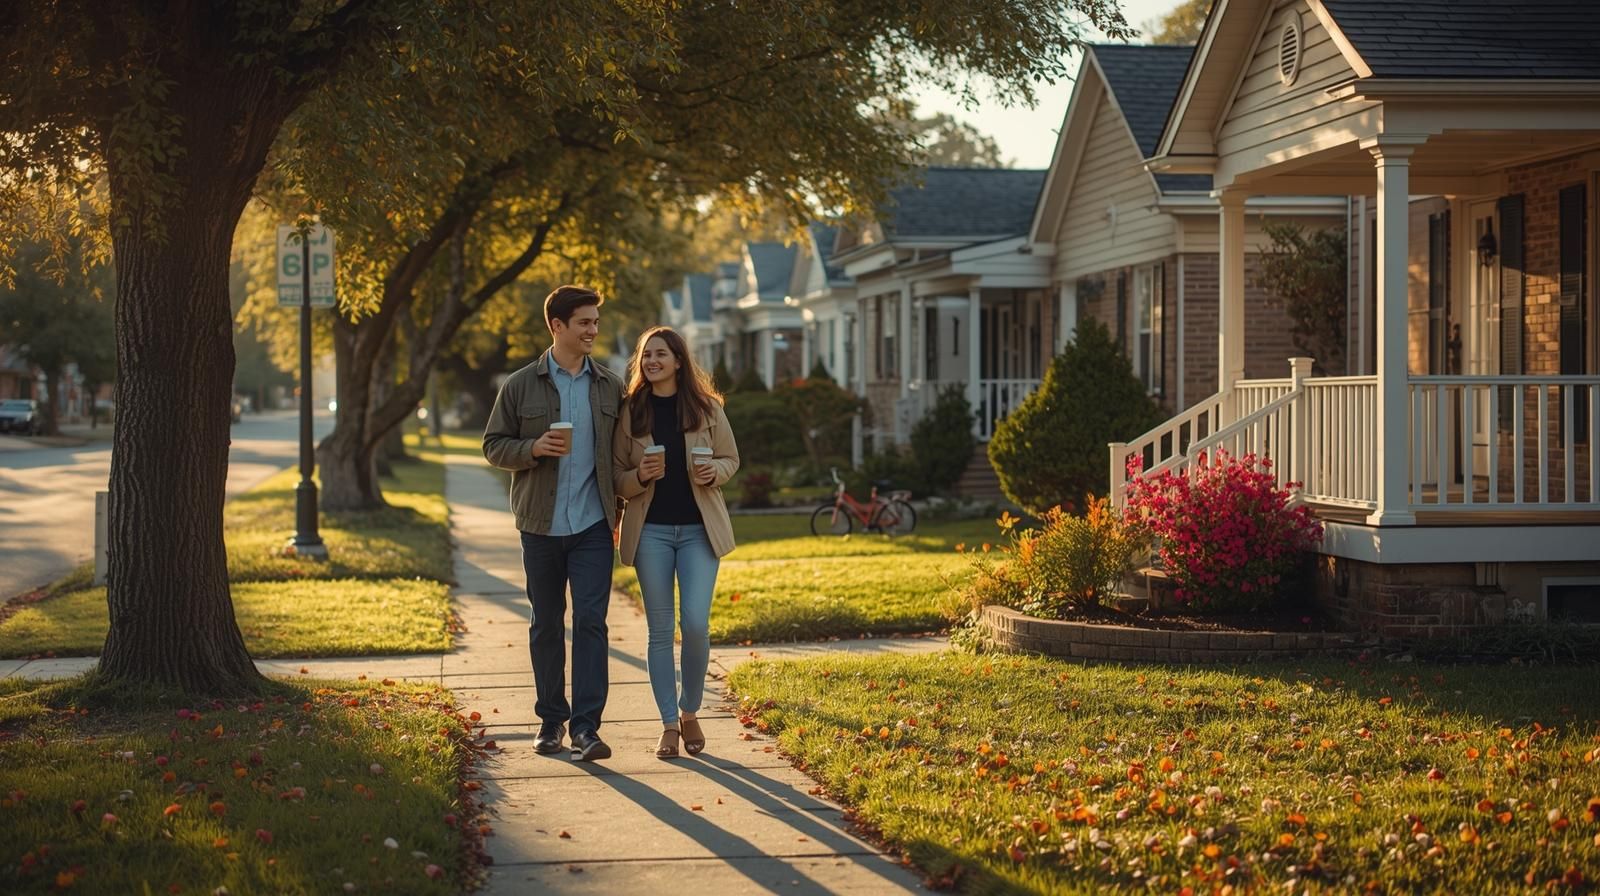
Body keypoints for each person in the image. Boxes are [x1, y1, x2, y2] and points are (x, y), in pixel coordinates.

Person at [483, 285, 624, 762]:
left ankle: (586, 728)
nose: (593, 330)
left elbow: (624, 450)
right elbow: (493, 445)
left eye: (595, 322)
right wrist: (533, 448)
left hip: (592, 526)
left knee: (591, 622)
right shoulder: (521, 384)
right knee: (546, 623)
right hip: (540, 526)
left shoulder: (609, 386)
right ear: (557, 326)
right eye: (584, 322)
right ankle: (550, 721)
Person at [613, 326, 739, 758]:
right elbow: (615, 476)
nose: (651, 361)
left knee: (697, 625)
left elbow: (730, 458)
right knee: (660, 630)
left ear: (679, 361)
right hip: (650, 532)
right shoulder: (630, 412)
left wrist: (715, 472)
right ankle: (668, 723)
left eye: (661, 354)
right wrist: (639, 476)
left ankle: (690, 711)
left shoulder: (706, 408)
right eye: (646, 355)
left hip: (699, 532)